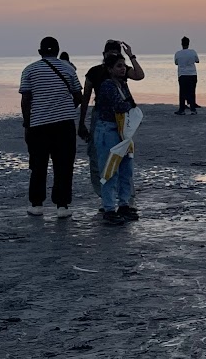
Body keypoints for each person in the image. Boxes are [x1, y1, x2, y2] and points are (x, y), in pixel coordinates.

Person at [19, 35, 82, 217]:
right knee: (64, 165)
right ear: (57, 50)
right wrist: (66, 109)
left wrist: (27, 123)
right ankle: (62, 206)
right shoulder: (68, 69)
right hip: (64, 125)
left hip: (38, 125)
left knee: (38, 165)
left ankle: (37, 204)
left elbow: (25, 100)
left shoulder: (29, 70)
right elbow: (78, 96)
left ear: (40, 52)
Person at [79, 39, 145, 200]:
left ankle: (125, 194)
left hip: (122, 118)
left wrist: (131, 55)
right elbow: (86, 97)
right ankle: (103, 194)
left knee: (124, 154)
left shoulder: (122, 68)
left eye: (117, 55)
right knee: (97, 155)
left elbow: (139, 75)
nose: (114, 57)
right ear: (104, 55)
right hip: (101, 116)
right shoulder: (94, 72)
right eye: (110, 54)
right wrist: (81, 122)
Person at [94, 53, 139, 224]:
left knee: (126, 169)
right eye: (119, 66)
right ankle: (109, 208)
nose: (123, 69)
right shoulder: (107, 85)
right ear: (110, 69)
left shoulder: (122, 84)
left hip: (122, 131)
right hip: (107, 129)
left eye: (123, 65)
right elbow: (121, 105)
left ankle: (124, 204)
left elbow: (130, 104)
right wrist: (131, 107)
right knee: (110, 169)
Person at [174, 35, 200, 114]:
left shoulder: (178, 53)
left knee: (182, 92)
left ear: (181, 44)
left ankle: (182, 109)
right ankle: (193, 109)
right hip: (192, 74)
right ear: (188, 43)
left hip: (182, 74)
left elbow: (176, 63)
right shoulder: (193, 52)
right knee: (192, 91)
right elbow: (197, 60)